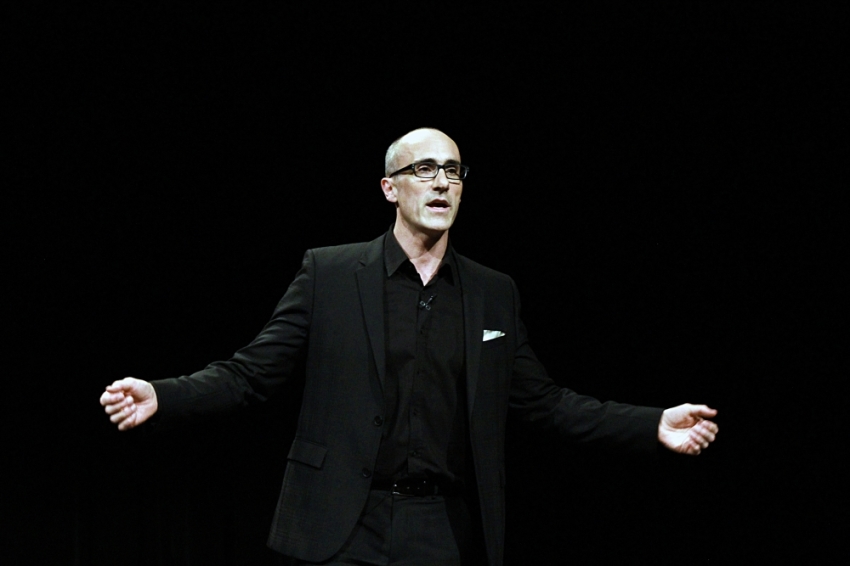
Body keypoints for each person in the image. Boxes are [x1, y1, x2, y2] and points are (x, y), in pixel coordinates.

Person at [100, 128, 719, 566]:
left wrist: (650, 424)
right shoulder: (331, 273)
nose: (442, 181)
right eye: (424, 169)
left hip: (445, 530)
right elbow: (250, 374)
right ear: (390, 188)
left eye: (453, 170)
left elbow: (544, 402)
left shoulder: (491, 294)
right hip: (341, 524)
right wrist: (164, 395)